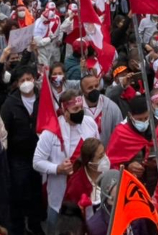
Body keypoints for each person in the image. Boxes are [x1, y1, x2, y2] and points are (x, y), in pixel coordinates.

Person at [33, 89, 99, 233]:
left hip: (84, 193)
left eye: (81, 108)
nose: (80, 111)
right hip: (59, 194)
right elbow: (37, 161)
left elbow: (98, 151)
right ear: (64, 109)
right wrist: (57, 168)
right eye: (75, 109)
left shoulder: (90, 124)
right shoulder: (51, 131)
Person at [0, 66, 44, 235]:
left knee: (36, 191)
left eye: (29, 79)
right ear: (17, 84)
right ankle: (18, 227)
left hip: (39, 153)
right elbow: (4, 131)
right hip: (18, 157)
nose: (26, 83)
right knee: (18, 192)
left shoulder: (43, 98)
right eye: (22, 80)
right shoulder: (10, 104)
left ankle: (35, 223)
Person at [106, 96, 158, 194]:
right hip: (131, 189)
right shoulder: (121, 133)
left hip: (157, 187)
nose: (143, 121)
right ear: (130, 115)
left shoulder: (157, 129)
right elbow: (111, 163)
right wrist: (127, 167)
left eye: (146, 118)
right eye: (139, 119)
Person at [62, 138, 107, 216]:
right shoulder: (75, 186)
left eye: (104, 153)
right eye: (100, 157)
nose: (105, 159)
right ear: (90, 164)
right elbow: (70, 216)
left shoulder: (109, 172)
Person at [80, 72, 122, 146]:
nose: (94, 89)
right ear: (83, 91)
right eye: (90, 88)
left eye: (96, 86)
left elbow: (120, 134)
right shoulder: (77, 109)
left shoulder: (112, 107)